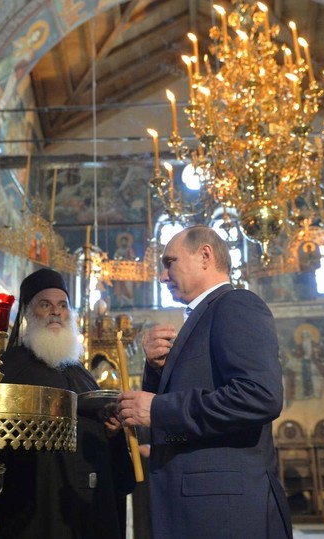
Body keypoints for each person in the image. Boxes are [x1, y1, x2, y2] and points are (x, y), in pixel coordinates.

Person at [116, 225, 291, 538]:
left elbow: (259, 395)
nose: (162, 276)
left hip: (223, 512)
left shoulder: (236, 305)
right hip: (197, 504)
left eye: (170, 262)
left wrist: (158, 410)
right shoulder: (200, 318)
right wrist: (156, 370)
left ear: (205, 256)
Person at [0, 268, 135, 539]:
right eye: (45, 305)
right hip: (32, 513)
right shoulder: (5, 372)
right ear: (27, 313)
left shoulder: (83, 376)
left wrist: (114, 432)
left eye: (62, 306)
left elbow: (107, 448)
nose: (56, 312)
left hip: (89, 512)